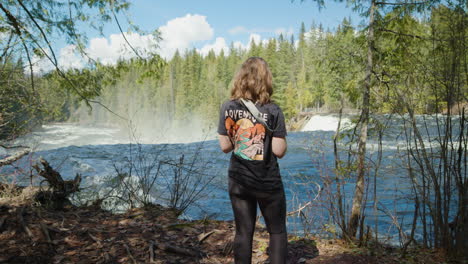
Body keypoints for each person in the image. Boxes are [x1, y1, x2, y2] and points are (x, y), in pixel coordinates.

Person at [217, 57, 288, 264]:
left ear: (241, 78)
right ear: (266, 80)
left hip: (239, 180)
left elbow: (225, 146)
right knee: (276, 231)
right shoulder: (273, 110)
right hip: (268, 181)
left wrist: (240, 136)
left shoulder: (228, 107)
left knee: (243, 231)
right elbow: (279, 150)